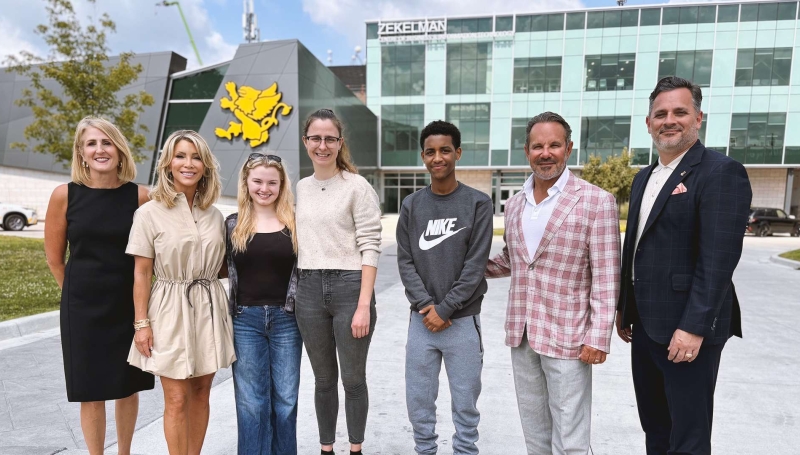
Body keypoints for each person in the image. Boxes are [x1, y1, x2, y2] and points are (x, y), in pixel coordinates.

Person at [616, 76, 752, 455]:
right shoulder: (644, 177)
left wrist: (693, 328)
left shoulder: (721, 172)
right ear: (648, 123)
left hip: (687, 332)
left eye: (680, 111)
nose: (669, 120)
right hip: (644, 326)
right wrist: (624, 308)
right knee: (656, 429)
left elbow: (719, 261)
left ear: (698, 118)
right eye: (660, 114)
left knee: (688, 438)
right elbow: (637, 248)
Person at [485, 111, 620, 454]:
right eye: (538, 146)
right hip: (522, 332)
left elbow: (606, 276)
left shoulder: (596, 201)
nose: (546, 153)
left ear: (569, 148)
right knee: (534, 431)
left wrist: (598, 336)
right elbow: (514, 260)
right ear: (527, 151)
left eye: (554, 145)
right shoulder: (515, 203)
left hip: (569, 336)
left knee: (570, 437)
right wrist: (460, 266)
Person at [44, 116, 155, 455]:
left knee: (127, 386)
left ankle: (124, 452)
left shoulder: (141, 197)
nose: (100, 149)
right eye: (91, 143)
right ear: (80, 152)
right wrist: (75, 295)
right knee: (90, 390)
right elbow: (54, 259)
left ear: (120, 151)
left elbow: (153, 257)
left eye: (107, 142)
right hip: (82, 308)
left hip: (127, 306)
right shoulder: (64, 195)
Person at [126, 130, 235, 455]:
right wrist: (141, 323)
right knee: (175, 397)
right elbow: (142, 272)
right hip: (169, 309)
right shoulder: (148, 212)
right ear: (168, 164)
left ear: (206, 166)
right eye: (181, 156)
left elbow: (224, 267)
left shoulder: (215, 215)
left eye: (196, 157)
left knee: (202, 393)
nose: (189, 163)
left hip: (209, 306)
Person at [396, 120, 493, 455]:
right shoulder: (411, 205)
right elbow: (405, 261)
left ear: (458, 153)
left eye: (445, 150)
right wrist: (427, 305)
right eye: (430, 151)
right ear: (423, 156)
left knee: (465, 405)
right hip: (421, 322)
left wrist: (446, 308)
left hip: (462, 322)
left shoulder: (478, 203)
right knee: (419, 404)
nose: (438, 157)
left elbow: (475, 264)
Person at [294, 108, 382, 455]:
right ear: (306, 142)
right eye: (315, 138)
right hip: (309, 290)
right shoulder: (300, 187)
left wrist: (364, 305)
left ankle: (355, 448)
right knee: (323, 381)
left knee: (353, 379)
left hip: (350, 288)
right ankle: (326, 448)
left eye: (330, 138)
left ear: (339, 142)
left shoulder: (357, 186)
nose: (322, 145)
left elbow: (371, 245)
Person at [225, 152, 302, 454]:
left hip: (287, 319)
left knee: (285, 400)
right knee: (251, 403)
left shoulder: (295, 222)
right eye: (257, 181)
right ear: (246, 182)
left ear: (282, 185)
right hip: (245, 320)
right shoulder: (233, 224)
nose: (264, 188)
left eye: (272, 182)